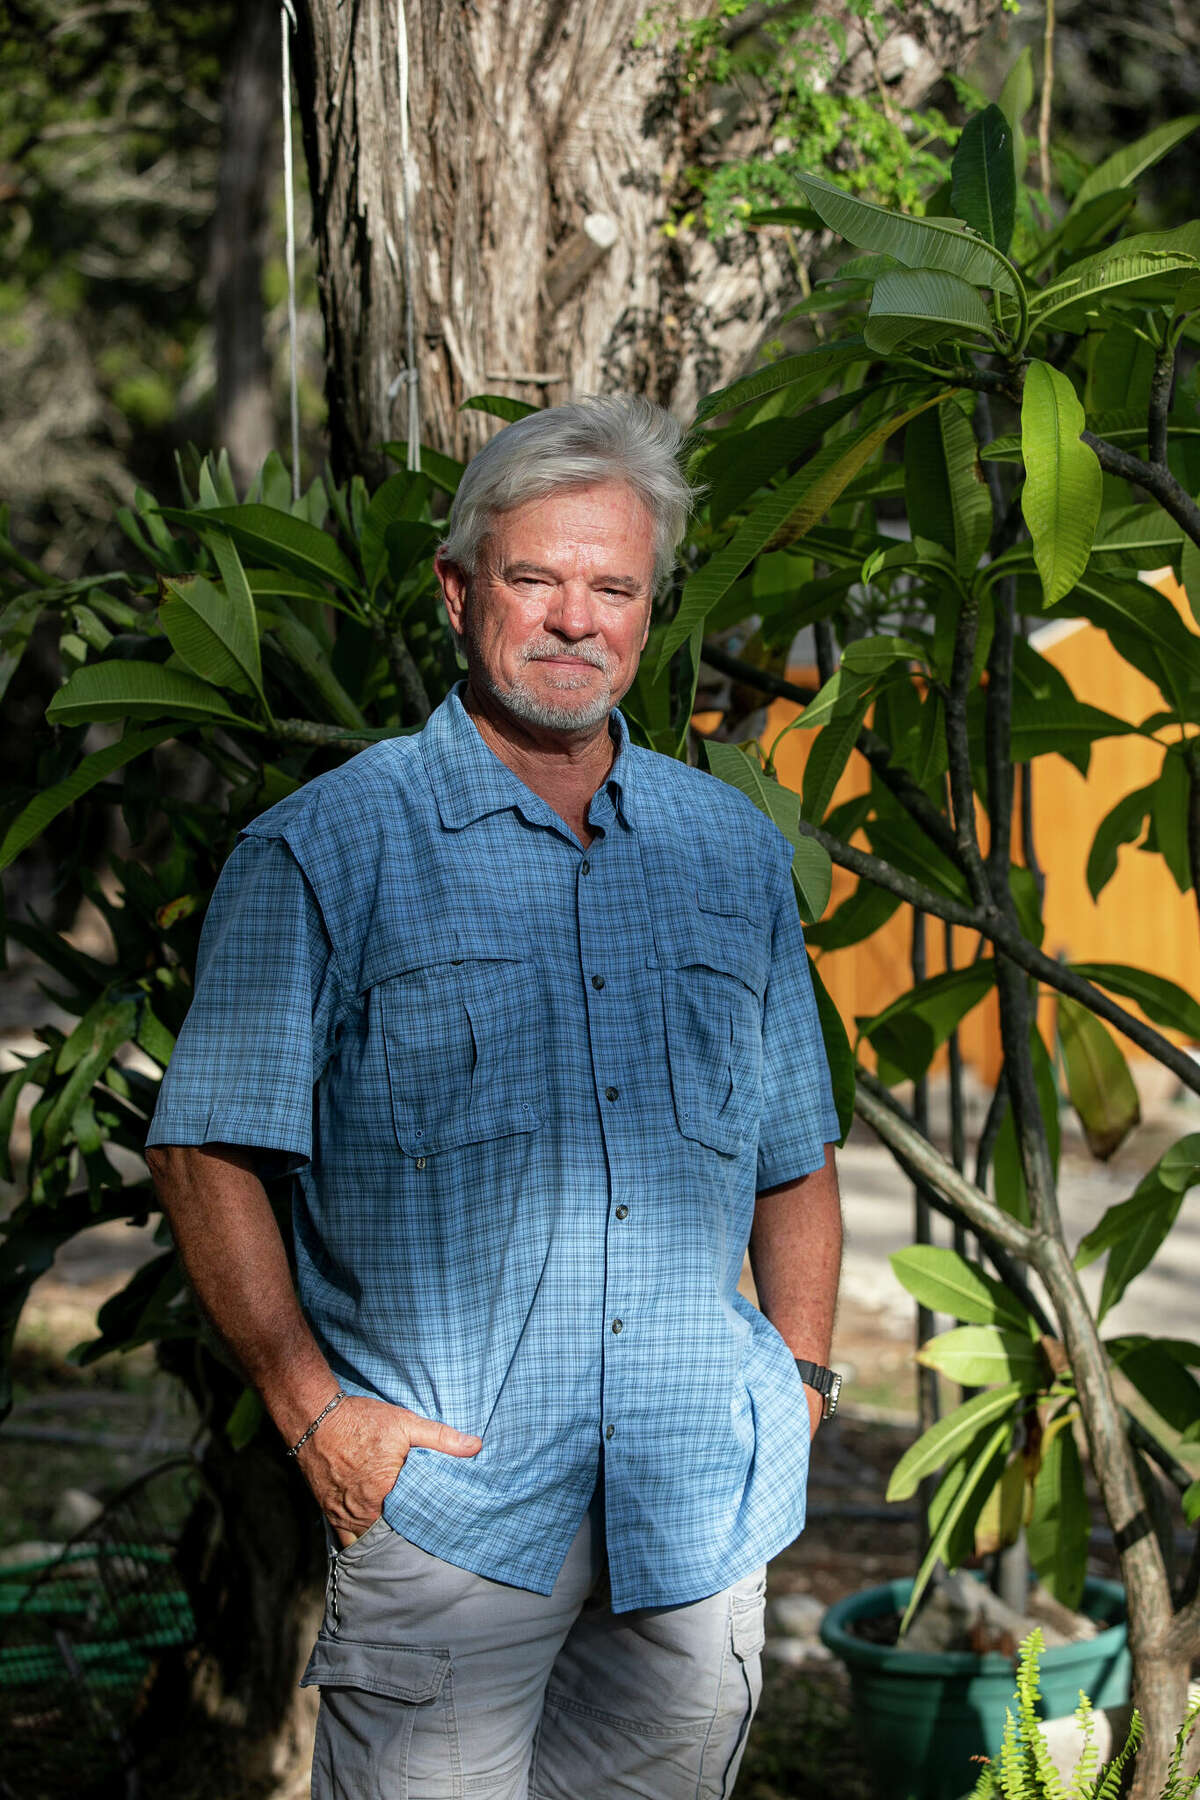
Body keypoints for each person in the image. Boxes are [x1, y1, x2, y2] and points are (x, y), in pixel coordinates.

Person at [145, 394, 843, 1800]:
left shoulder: (732, 855)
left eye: (615, 586)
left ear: (651, 610)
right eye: (537, 578)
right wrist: (310, 1413)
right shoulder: (327, 850)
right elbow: (206, 1149)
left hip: (699, 1507)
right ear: (463, 591)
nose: (576, 618)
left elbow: (793, 1156)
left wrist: (802, 1385)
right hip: (449, 1521)